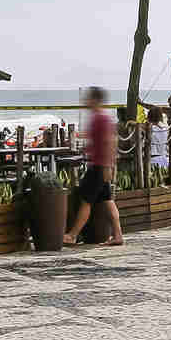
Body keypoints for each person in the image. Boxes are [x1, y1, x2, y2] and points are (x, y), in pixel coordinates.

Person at [65, 86, 122, 246]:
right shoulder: (102, 118)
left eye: (89, 98)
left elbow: (109, 142)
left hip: (98, 166)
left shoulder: (100, 118)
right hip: (101, 165)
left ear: (95, 100)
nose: (86, 101)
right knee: (108, 201)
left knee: (86, 201)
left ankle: (73, 235)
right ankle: (118, 235)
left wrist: (107, 166)